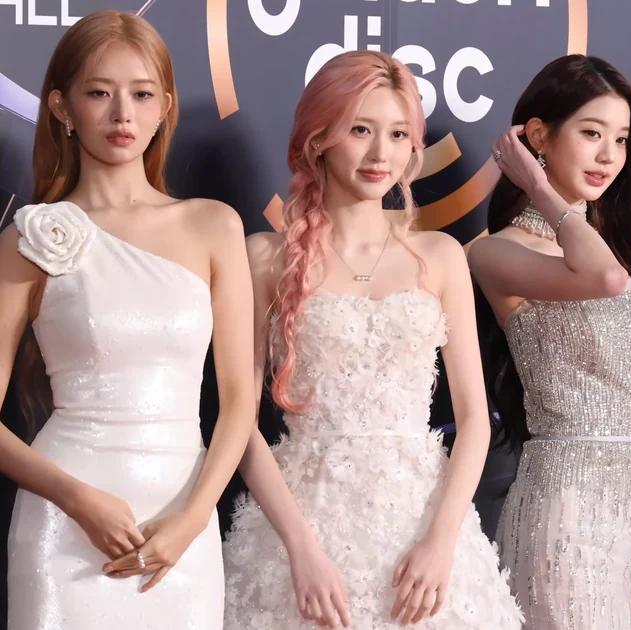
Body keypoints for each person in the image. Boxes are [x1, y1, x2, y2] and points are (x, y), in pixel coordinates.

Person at [220, 51, 523, 629]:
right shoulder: (265, 258)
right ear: (319, 138)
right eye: (361, 129)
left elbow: (474, 422)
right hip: (302, 523)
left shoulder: (439, 256)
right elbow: (240, 423)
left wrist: (441, 542)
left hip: (423, 523)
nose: (381, 153)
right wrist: (299, 550)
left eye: (399, 134)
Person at [3, 10, 257, 628]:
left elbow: (238, 402)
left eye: (142, 95)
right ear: (62, 107)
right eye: (99, 93)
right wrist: (76, 499)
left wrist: (193, 519)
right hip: (64, 530)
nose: (123, 115)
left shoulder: (214, 225)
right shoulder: (28, 240)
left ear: (165, 106)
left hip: (183, 528)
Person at [469, 54, 631, 629]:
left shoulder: (627, 247)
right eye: (592, 133)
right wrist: (537, 186)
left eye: (621, 140)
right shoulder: (497, 251)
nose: (609, 156)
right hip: (563, 514)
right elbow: (604, 280)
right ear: (538, 137)